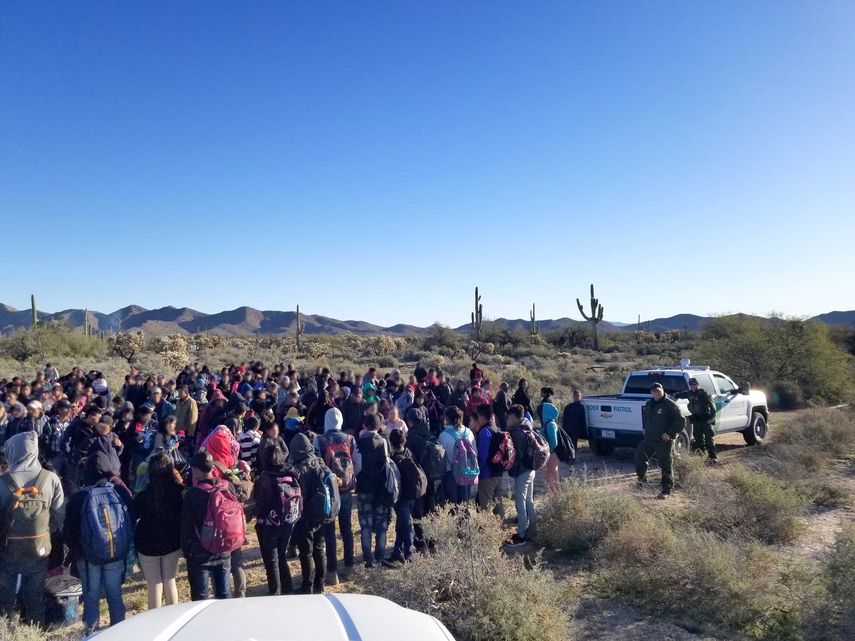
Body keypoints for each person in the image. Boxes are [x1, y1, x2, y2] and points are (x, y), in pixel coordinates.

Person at [64, 450, 133, 632]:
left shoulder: (80, 497)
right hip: (116, 553)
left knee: (91, 597)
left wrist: (76, 550)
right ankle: (119, 632)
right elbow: (131, 517)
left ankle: (91, 633)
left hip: (88, 558)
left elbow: (69, 530)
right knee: (115, 594)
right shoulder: (118, 491)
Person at [0, 432, 65, 626]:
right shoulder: (50, 478)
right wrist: (47, 529)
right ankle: (35, 630)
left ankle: (7, 631)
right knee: (35, 594)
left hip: (9, 548)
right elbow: (61, 514)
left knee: (6, 597)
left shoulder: (3, 482)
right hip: (40, 546)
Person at [181, 451, 234, 600]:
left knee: (200, 597)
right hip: (224, 548)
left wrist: (187, 552)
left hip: (200, 552)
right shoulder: (227, 486)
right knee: (224, 595)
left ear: (196, 470)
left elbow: (186, 527)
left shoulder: (192, 495)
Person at [133, 453, 183, 609]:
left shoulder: (144, 494)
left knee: (154, 584)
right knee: (170, 581)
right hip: (172, 541)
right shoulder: (178, 490)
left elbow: (135, 514)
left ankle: (154, 622)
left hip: (147, 542)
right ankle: (172, 619)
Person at [314, 408, 356, 584]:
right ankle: (349, 566)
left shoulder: (319, 440)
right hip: (346, 490)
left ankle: (332, 573)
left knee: (329, 531)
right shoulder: (350, 439)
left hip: (328, 491)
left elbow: (316, 465)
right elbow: (357, 463)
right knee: (346, 528)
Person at [253, 430, 295, 595]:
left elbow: (260, 505)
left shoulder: (264, 478)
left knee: (271, 561)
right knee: (282, 555)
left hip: (269, 523)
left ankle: (275, 592)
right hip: (287, 521)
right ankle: (288, 588)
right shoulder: (291, 473)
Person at [289, 433, 329, 594]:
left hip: (305, 515)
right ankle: (320, 583)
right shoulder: (320, 461)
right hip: (321, 512)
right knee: (319, 547)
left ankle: (308, 585)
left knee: (306, 552)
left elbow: (299, 493)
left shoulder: (300, 469)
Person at [635, 383, 685, 499]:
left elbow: (680, 421)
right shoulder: (649, 403)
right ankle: (641, 480)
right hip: (649, 438)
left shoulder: (670, 405)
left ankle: (666, 490)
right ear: (651, 393)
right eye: (654, 391)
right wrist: (645, 428)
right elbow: (646, 418)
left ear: (662, 390)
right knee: (639, 457)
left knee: (665, 464)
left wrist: (669, 433)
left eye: (658, 391)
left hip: (663, 441)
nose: (656, 393)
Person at [354, 413, 392, 568]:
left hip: (364, 487)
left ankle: (368, 560)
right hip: (380, 487)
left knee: (365, 524)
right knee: (381, 523)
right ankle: (380, 556)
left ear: (364, 426)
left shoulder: (359, 442)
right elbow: (387, 463)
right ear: (378, 426)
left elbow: (357, 466)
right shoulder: (382, 441)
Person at [507, 405, 536, 547]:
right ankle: (533, 529)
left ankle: (522, 535)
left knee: (520, 501)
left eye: (509, 416)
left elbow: (518, 455)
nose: (507, 419)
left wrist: (512, 469)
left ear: (513, 417)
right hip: (531, 469)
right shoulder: (527, 425)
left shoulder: (517, 433)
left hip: (523, 471)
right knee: (529, 500)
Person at [388, 429, 417, 563]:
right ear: (404, 441)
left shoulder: (391, 459)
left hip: (400, 497)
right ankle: (397, 551)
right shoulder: (409, 454)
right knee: (402, 523)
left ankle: (409, 552)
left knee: (405, 524)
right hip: (413, 494)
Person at [438, 406, 476, 504]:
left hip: (451, 473)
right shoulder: (469, 432)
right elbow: (475, 452)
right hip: (467, 471)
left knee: (452, 503)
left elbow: (442, 458)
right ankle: (465, 518)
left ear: (447, 418)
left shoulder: (444, 435)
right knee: (465, 502)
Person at [674, 378, 718, 462]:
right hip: (696, 419)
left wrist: (712, 418)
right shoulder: (689, 393)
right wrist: (673, 395)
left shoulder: (704, 393)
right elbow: (679, 395)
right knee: (698, 439)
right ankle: (703, 456)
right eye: (691, 385)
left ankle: (713, 457)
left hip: (705, 419)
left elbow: (713, 406)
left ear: (697, 385)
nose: (692, 386)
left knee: (709, 438)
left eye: (694, 385)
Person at [474, 403, 505, 517]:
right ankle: (501, 531)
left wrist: (477, 471)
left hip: (487, 475)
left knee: (485, 508)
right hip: (499, 473)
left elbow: (482, 456)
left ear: (482, 416)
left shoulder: (484, 432)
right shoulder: (496, 428)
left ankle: (486, 532)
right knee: (498, 505)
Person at [540, 400, 561, 493]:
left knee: (553, 474)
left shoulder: (550, 425)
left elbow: (554, 442)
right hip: (550, 453)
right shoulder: (548, 423)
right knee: (549, 475)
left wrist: (548, 451)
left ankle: (558, 496)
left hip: (552, 453)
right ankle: (553, 496)